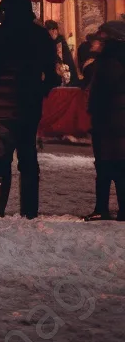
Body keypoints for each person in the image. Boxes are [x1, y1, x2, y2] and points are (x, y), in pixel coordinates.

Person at [0, 0, 59, 218]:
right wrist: (40, 90)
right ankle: (29, 211)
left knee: (0, 162)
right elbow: (53, 74)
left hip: (1, 111)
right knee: (28, 159)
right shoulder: (40, 37)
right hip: (28, 106)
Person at [83, 21, 125, 221]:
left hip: (109, 119)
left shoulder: (109, 62)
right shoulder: (115, 59)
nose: (95, 42)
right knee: (118, 164)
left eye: (100, 37)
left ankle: (102, 208)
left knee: (106, 164)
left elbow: (103, 90)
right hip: (116, 118)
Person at [44, 20, 78, 86]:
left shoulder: (60, 41)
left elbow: (63, 58)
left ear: (54, 30)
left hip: (64, 71)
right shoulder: (50, 41)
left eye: (49, 31)